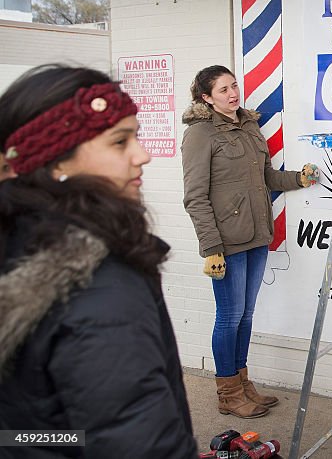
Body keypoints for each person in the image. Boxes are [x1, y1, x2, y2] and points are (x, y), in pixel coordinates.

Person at [0, 64, 196, 457]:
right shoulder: (102, 291)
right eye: (119, 141)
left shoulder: (16, 236)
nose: (143, 155)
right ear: (56, 161)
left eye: (136, 136)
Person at [181, 65, 318, 419]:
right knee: (229, 317)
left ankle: (243, 384)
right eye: (224, 89)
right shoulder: (200, 134)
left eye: (234, 86)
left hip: (257, 234)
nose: (233, 93)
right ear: (206, 98)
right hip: (225, 242)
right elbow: (195, 197)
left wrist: (298, 179)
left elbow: (266, 176)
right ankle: (228, 392)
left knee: (245, 314)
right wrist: (210, 248)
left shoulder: (248, 125)